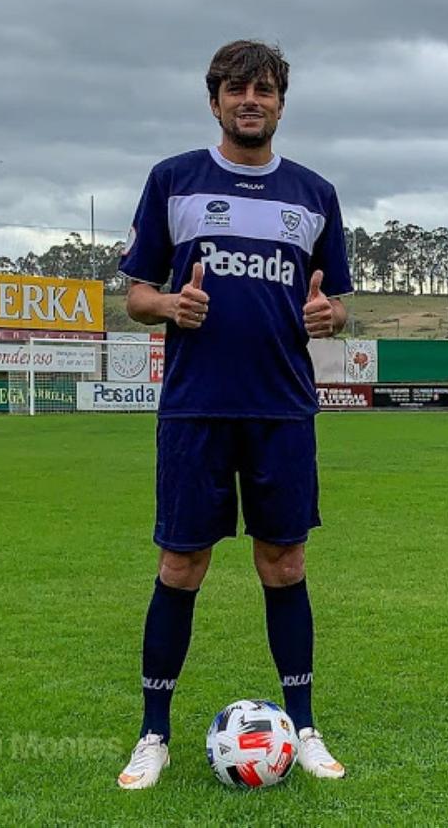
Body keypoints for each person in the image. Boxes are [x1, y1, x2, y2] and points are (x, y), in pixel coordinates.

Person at [115, 40, 353, 789]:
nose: (251, 100)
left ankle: (305, 727)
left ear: (282, 102)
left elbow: (335, 303)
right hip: (196, 408)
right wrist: (170, 305)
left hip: (282, 408)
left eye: (266, 89)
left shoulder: (315, 194)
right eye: (236, 88)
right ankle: (154, 733)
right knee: (181, 565)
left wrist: (329, 316)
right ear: (214, 99)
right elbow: (134, 298)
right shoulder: (174, 181)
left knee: (284, 563)